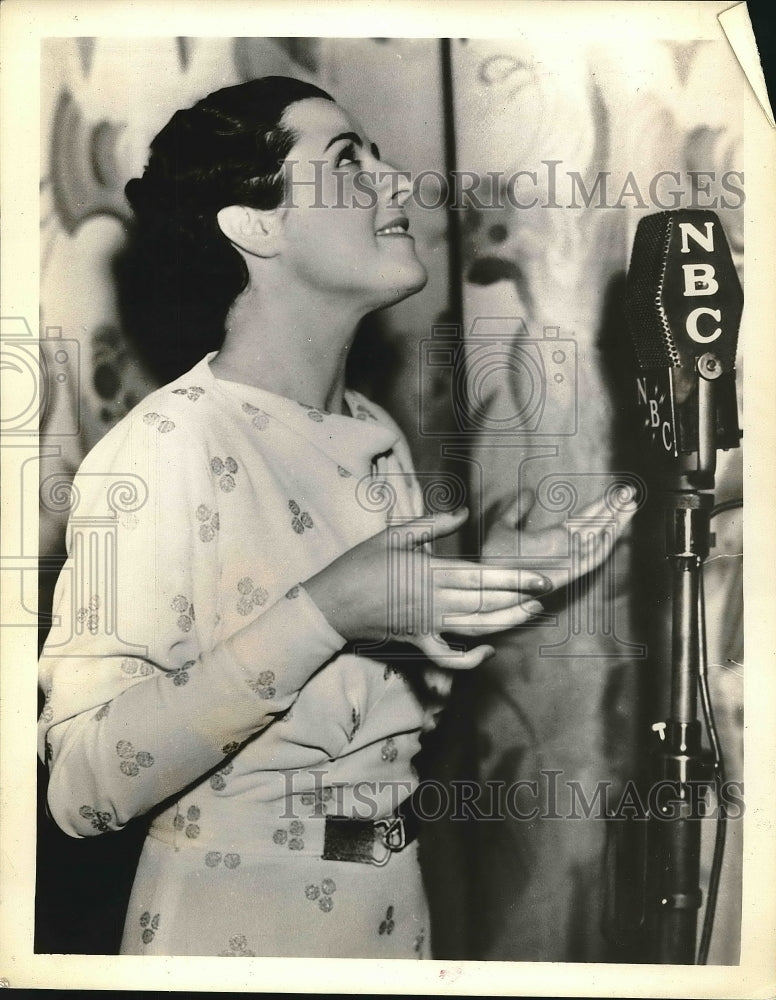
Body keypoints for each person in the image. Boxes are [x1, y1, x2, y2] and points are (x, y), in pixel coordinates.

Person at [38, 76, 621, 958]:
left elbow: (371, 728)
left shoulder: (373, 432)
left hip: (393, 917)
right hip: (229, 935)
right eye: (350, 162)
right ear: (254, 223)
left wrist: (483, 586)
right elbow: (81, 790)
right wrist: (324, 612)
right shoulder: (165, 447)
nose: (399, 184)